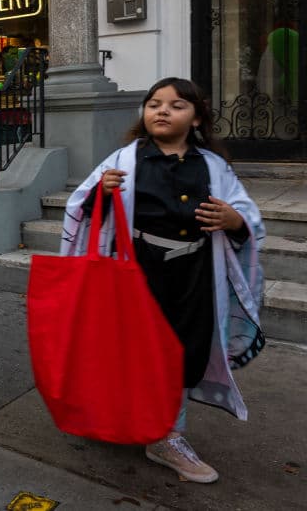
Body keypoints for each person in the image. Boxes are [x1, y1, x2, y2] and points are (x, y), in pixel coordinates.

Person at [60, 77, 266, 484]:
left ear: (196, 118)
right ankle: (131, 421)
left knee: (182, 353)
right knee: (132, 351)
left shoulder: (214, 166)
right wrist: (101, 193)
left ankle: (167, 436)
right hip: (138, 271)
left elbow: (246, 212)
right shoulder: (124, 158)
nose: (162, 111)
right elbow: (79, 206)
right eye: (154, 103)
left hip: (194, 275)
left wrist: (236, 220)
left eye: (176, 105)